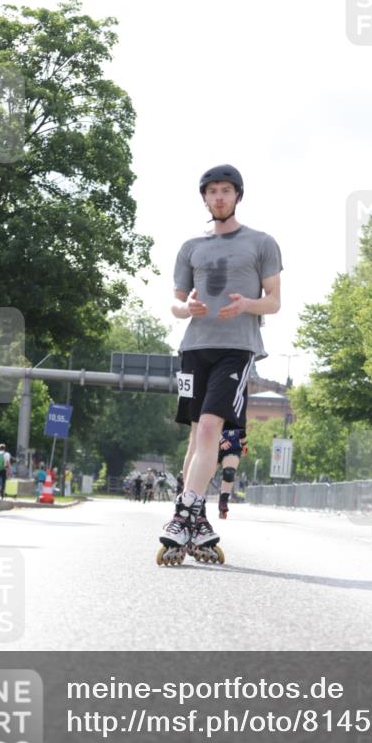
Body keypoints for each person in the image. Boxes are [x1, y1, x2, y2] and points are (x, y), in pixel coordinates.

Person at [158, 164, 282, 564]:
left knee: (212, 425)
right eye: (211, 191)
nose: (219, 197)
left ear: (237, 195)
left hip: (237, 348)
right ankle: (198, 520)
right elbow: (176, 303)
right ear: (205, 198)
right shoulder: (191, 246)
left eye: (226, 190)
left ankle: (182, 514)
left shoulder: (261, 243)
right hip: (195, 347)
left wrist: (247, 304)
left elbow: (275, 301)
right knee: (197, 436)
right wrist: (186, 307)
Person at [216, 427, 248, 518]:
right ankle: (194, 500)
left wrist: (244, 445)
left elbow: (242, 431)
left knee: (229, 473)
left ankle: (223, 501)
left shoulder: (240, 413)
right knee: (205, 475)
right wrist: (221, 440)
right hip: (213, 446)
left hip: (232, 447)